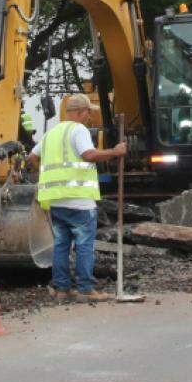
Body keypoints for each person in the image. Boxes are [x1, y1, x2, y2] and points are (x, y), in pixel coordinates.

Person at [28, 94, 127, 302]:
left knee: (61, 245)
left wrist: (47, 176)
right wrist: (115, 152)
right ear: (81, 112)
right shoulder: (79, 130)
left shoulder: (52, 132)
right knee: (84, 244)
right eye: (88, 112)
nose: (89, 116)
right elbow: (88, 155)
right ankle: (85, 289)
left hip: (55, 200)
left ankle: (62, 289)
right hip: (79, 200)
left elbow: (32, 157)